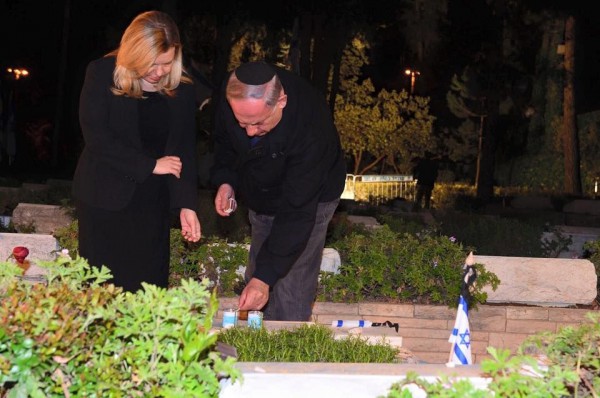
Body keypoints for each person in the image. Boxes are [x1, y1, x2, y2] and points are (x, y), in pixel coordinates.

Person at [72, 11, 201, 292]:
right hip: (103, 199)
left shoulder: (183, 89)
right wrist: (149, 165)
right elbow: (97, 137)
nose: (158, 72)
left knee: (147, 288)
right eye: (150, 64)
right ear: (132, 55)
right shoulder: (101, 73)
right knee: (101, 291)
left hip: (151, 204)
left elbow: (183, 150)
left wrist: (186, 204)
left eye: (166, 64)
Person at [210, 61, 346, 321]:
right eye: (243, 123)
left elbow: (296, 212)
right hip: (262, 191)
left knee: (290, 286)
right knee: (257, 278)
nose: (250, 132)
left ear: (281, 100)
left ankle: (288, 355)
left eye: (258, 123)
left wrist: (265, 278)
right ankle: (254, 352)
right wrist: (227, 181)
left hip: (310, 199)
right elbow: (224, 144)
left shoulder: (311, 125)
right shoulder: (233, 95)